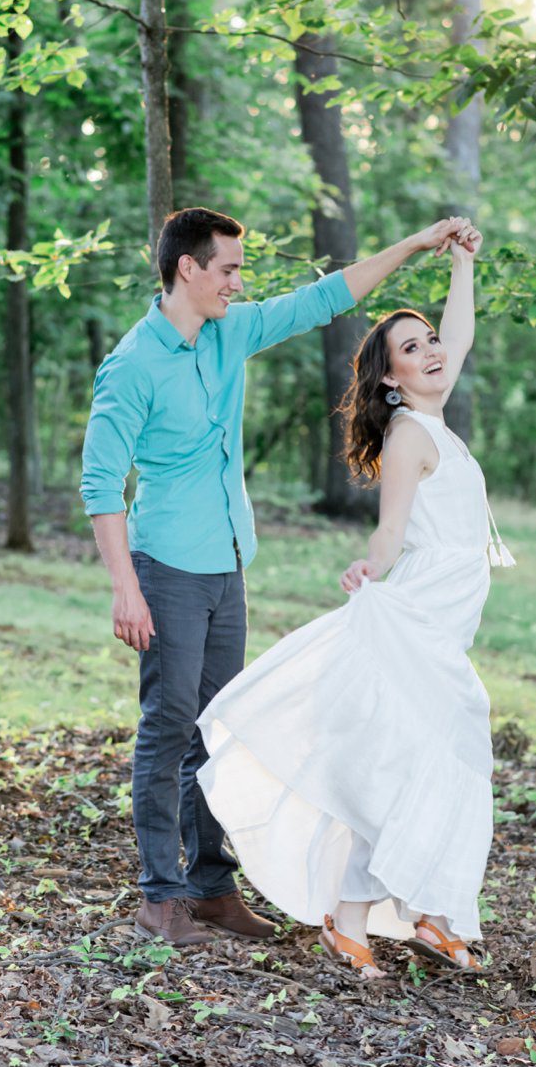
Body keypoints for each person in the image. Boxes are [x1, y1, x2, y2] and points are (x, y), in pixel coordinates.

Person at [81, 206, 461, 949]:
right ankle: (161, 898)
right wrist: (126, 586)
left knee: (215, 732)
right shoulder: (132, 363)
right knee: (167, 728)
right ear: (187, 268)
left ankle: (212, 888)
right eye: (227, 267)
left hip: (227, 563)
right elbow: (101, 484)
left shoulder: (230, 332)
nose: (238, 281)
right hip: (167, 567)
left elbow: (327, 298)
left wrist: (416, 244)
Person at [196, 216, 505, 978]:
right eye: (411, 348)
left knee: (439, 759)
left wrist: (463, 264)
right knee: (413, 757)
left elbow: (459, 338)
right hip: (416, 624)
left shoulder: (434, 414)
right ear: (390, 378)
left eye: (429, 339)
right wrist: (369, 569)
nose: (432, 351)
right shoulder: (409, 435)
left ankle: (431, 914)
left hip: (445, 627)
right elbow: (391, 530)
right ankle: (352, 916)